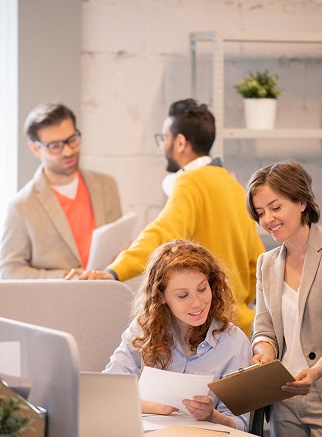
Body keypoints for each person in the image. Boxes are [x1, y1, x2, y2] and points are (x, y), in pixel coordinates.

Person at [67, 98, 265, 336]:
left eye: (164, 138)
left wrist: (114, 272)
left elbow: (162, 235)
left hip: (203, 328)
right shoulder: (232, 185)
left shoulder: (190, 182)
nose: (162, 146)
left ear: (180, 142)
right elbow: (257, 261)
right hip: (238, 327)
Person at [246, 160, 322, 436]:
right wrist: (264, 356)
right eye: (260, 212)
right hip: (284, 398)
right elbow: (264, 330)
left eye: (276, 207)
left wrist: (315, 372)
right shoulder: (266, 263)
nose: (268, 219)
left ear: (302, 201)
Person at [104, 239, 251, 431]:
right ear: (162, 297)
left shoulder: (233, 342)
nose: (197, 303)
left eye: (202, 289)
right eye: (183, 295)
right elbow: (108, 393)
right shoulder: (142, 331)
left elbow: (241, 425)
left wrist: (211, 415)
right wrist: (159, 407)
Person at [0, 102, 122, 279]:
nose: (67, 151)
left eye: (72, 140)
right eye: (55, 146)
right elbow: (8, 270)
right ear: (35, 148)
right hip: (53, 303)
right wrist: (64, 276)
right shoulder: (21, 206)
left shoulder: (106, 186)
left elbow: (117, 246)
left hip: (106, 297)